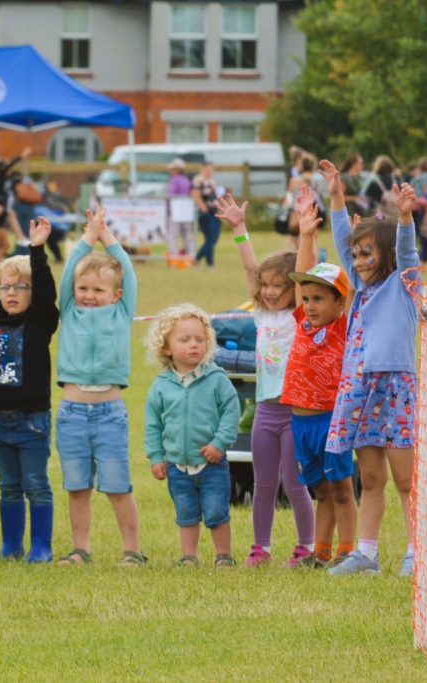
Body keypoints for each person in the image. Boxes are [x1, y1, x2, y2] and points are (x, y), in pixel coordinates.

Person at [318, 159, 421, 577]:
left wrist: (406, 218)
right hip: (360, 391)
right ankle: (366, 554)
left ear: (388, 255)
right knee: (372, 477)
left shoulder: (404, 284)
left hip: (395, 389)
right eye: (356, 255)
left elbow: (406, 251)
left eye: (367, 254)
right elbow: (342, 240)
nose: (358, 261)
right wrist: (336, 196)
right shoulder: (359, 287)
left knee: (406, 480)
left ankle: (416, 552)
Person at [213, 192, 316, 568]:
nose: (270, 291)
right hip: (264, 412)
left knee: (295, 484)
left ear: (294, 289)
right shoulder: (261, 314)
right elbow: (250, 270)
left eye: (279, 286)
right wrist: (239, 229)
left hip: (294, 413)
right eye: (267, 286)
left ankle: (306, 546)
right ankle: (261, 548)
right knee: (263, 485)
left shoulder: (300, 317)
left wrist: (306, 234)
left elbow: (304, 274)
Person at [55, 206, 146, 566]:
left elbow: (129, 272)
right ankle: (81, 549)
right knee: (77, 487)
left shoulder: (121, 313)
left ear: (116, 294)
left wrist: (105, 235)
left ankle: (132, 551)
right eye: (83, 288)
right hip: (72, 414)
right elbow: (68, 273)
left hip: (110, 414)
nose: (89, 295)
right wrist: (87, 237)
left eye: (98, 289)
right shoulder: (69, 310)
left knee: (117, 486)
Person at [0, 216, 59, 562]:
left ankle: (41, 547)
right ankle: (11, 546)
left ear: (33, 292)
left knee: (36, 484)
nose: (10, 293)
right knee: (8, 486)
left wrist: (36, 248)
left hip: (32, 420)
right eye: (5, 287)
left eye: (20, 287)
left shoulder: (40, 320)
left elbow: (47, 290)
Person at [281, 189, 357, 570]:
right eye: (307, 299)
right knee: (321, 490)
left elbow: (353, 285)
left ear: (340, 304)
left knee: (341, 489)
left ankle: (348, 552)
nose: (309, 305)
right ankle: (321, 552)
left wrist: (350, 245)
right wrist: (306, 234)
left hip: (332, 421)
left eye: (319, 299)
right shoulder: (302, 324)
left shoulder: (345, 327)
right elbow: (302, 279)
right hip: (301, 422)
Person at [144, 303, 241, 568]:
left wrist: (219, 443)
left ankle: (223, 556)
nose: (194, 345)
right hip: (177, 466)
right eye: (185, 340)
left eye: (200, 339)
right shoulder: (161, 386)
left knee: (216, 512)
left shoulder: (217, 379)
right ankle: (189, 556)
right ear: (167, 347)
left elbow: (231, 411)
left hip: (212, 464)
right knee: (186, 514)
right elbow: (153, 424)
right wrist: (156, 457)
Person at [192, 161, 221, 267]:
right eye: (207, 169)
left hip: (214, 211)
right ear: (202, 169)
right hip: (205, 212)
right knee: (211, 238)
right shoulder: (198, 180)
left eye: (211, 170)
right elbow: (195, 194)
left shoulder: (212, 181)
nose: (209, 172)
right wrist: (204, 209)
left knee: (211, 238)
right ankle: (198, 259)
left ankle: (209, 262)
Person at [166, 158, 194, 259]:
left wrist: (167, 208)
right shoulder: (187, 180)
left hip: (175, 210)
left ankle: (174, 255)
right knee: (186, 234)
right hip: (186, 210)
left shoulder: (174, 180)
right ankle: (190, 255)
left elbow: (170, 195)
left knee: (173, 234)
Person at [362, 155, 399, 220]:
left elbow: (368, 199)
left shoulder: (375, 182)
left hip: (380, 217)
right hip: (395, 216)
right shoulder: (396, 180)